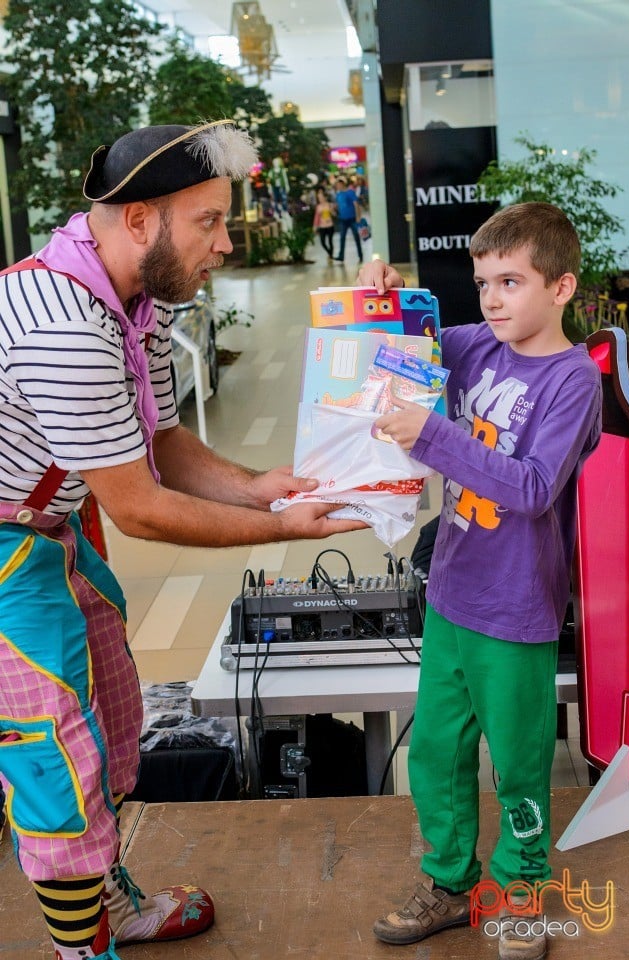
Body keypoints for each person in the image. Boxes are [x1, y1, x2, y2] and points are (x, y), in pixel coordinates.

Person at [0, 120, 366, 960]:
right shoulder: (58, 323)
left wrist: (256, 485)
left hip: (45, 524)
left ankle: (108, 901)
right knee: (53, 746)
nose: (226, 243)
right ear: (139, 220)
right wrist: (278, 527)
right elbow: (142, 508)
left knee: (113, 713)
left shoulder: (139, 300)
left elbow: (163, 442)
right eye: (208, 221)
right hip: (8, 539)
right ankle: (80, 949)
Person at [357, 202, 602, 960]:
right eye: (482, 282)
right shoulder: (473, 347)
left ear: (560, 288)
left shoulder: (571, 381)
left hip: (517, 609)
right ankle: (450, 883)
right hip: (453, 595)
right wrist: (383, 297)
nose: (492, 299)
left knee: (521, 764)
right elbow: (405, 345)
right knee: (434, 750)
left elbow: (531, 488)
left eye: (511, 281)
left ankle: (524, 890)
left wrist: (433, 433)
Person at [333, 176, 363, 264]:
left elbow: (356, 204)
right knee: (342, 238)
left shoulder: (350, 192)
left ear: (342, 184)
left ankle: (360, 255)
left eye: (338, 185)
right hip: (343, 219)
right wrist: (335, 210)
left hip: (352, 219)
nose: (337, 186)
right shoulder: (338, 194)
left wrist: (358, 217)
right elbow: (338, 205)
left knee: (356, 237)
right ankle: (341, 256)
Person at [312, 186, 335, 261]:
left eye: (321, 198)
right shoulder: (318, 207)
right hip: (322, 226)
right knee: (322, 242)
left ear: (325, 198)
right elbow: (316, 217)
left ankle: (331, 255)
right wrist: (315, 226)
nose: (320, 199)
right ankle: (329, 252)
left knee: (330, 241)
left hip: (330, 225)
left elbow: (334, 214)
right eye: (319, 198)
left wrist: (332, 211)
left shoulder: (329, 205)